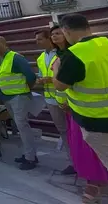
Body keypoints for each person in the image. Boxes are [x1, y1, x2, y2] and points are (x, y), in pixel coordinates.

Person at [54, 14, 108, 204]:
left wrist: (56, 68)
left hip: (96, 121)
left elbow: (60, 85)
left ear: (66, 30)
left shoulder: (76, 54)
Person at [51, 25, 108, 203]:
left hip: (85, 107)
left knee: (90, 144)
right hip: (71, 106)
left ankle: (97, 181)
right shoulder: (59, 56)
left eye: (58, 33)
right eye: (52, 34)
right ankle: (91, 178)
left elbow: (62, 83)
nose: (55, 36)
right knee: (78, 144)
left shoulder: (75, 54)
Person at [0, 35, 39, 170]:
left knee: (22, 126)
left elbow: (31, 76)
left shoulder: (16, 58)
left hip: (19, 97)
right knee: (21, 126)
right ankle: (29, 154)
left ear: (4, 43)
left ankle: (30, 158)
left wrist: (26, 90)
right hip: (7, 98)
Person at [34, 29, 75, 175]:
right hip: (51, 99)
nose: (37, 42)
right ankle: (73, 162)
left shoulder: (62, 54)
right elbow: (42, 75)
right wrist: (40, 80)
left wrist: (51, 79)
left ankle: (82, 160)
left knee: (76, 131)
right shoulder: (40, 57)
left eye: (40, 39)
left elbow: (67, 76)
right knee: (63, 131)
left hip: (68, 99)